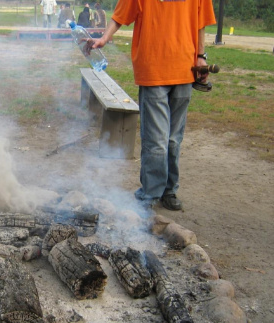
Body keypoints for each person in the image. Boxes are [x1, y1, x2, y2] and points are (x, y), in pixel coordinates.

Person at [87, 0, 216, 211]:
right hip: (153, 68)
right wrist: (104, 38)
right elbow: (121, 15)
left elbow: (200, 22)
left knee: (173, 140)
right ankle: (150, 193)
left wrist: (201, 56)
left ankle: (169, 190)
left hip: (185, 68)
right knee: (157, 141)